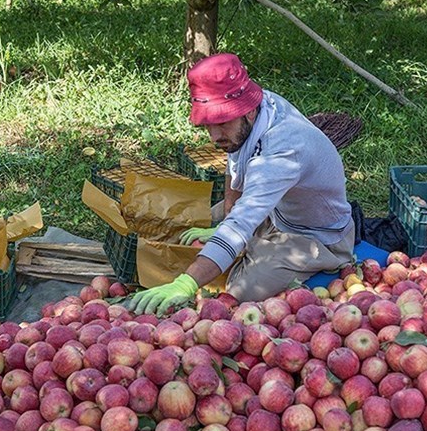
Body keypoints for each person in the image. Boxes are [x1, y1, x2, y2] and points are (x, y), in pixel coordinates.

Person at [128, 52, 354, 316]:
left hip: (314, 236)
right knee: (199, 218)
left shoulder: (282, 151)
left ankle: (268, 251)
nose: (214, 137)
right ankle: (245, 244)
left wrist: (186, 283)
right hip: (276, 210)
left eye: (222, 123)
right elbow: (234, 162)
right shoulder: (260, 108)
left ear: (248, 112)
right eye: (208, 125)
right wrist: (225, 221)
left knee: (239, 291)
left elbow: (242, 221)